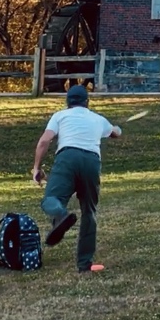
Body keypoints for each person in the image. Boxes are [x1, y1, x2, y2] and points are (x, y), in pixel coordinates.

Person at [31, 84, 122, 273]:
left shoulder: (60, 116)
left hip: (67, 158)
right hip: (91, 161)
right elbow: (115, 133)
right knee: (89, 211)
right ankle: (85, 264)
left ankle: (61, 215)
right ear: (87, 102)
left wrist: (36, 168)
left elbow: (44, 141)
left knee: (51, 200)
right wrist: (117, 129)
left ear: (68, 103)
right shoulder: (98, 119)